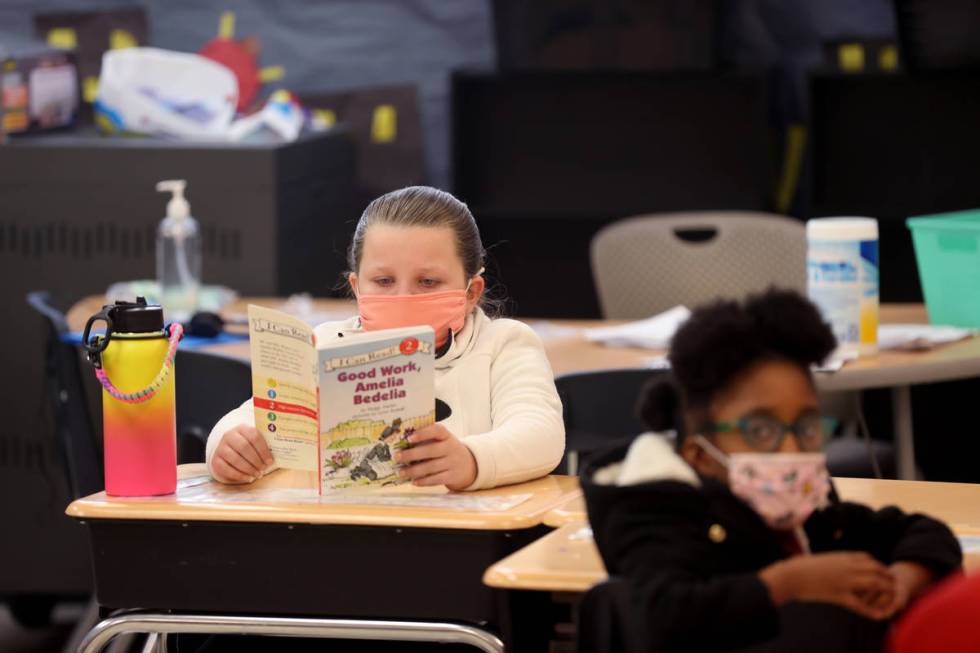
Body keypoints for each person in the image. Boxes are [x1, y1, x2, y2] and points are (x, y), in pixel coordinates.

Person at [582, 289, 962, 653]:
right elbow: (663, 618)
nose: (792, 450)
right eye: (760, 431)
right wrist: (789, 584)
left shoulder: (809, 516)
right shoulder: (656, 514)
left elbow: (925, 532)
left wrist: (903, 577)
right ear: (698, 454)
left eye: (807, 427)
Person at [206, 185, 565, 491]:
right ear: (357, 287)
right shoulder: (325, 345)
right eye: (383, 282)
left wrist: (472, 460)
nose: (402, 299)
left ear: (472, 291)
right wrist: (229, 448)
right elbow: (248, 420)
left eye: (428, 282)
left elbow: (541, 434)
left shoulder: (504, 345)